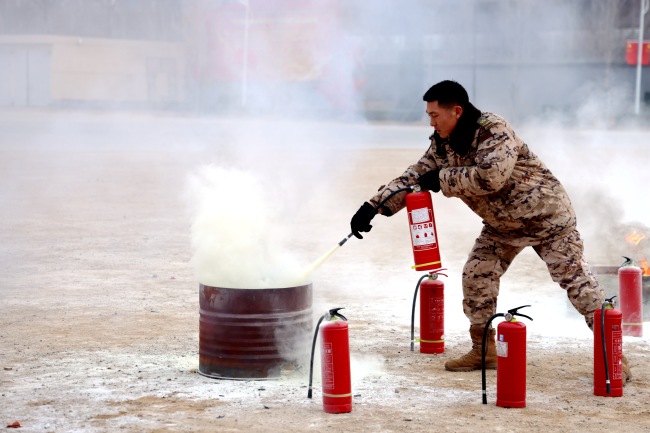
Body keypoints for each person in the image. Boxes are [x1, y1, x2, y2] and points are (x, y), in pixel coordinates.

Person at [350, 80, 631, 380]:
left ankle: (615, 355)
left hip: (547, 219)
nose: (430, 121)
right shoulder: (442, 143)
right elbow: (414, 177)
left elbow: (491, 176)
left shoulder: (493, 130)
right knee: (476, 275)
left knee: (577, 284)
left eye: (434, 115)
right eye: (429, 115)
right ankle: (484, 350)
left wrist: (442, 179)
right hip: (502, 226)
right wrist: (374, 207)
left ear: (456, 111)